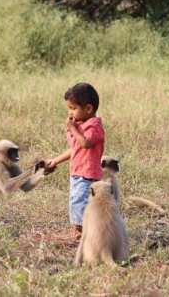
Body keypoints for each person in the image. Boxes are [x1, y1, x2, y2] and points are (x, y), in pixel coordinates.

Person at [45, 83, 105, 239]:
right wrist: (55, 161)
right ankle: (86, 233)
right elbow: (75, 150)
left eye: (72, 108)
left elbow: (85, 144)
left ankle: (80, 234)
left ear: (88, 109)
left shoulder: (94, 125)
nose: (70, 112)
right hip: (78, 173)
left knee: (79, 204)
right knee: (79, 202)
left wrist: (72, 128)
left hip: (87, 175)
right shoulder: (81, 125)